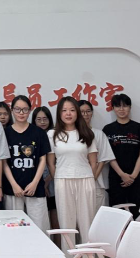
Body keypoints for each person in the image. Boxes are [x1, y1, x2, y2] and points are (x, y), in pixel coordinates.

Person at [47, 97, 97, 251]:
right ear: (59, 113)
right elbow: (51, 162)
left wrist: (90, 179)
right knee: (66, 223)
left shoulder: (87, 133)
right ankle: (68, 254)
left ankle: (89, 254)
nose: (68, 113)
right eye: (64, 110)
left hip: (85, 180)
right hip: (63, 181)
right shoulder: (52, 134)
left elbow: (93, 162)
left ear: (77, 113)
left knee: (87, 222)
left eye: (72, 110)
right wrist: (58, 177)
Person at [2, 95, 51, 232]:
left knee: (39, 227)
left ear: (30, 110)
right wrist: (14, 185)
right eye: (17, 109)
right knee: (13, 229)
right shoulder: (5, 133)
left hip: (35, 188)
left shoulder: (39, 133)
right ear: (12, 110)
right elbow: (4, 162)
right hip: (12, 188)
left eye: (25, 109)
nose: (21, 113)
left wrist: (35, 183)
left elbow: (43, 159)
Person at [102, 94, 140, 219]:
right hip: (117, 178)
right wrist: (122, 174)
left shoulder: (138, 127)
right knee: (117, 214)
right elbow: (108, 155)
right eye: (118, 106)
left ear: (130, 107)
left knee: (138, 213)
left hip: (137, 177)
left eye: (125, 106)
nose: (121, 109)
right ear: (113, 108)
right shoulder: (108, 129)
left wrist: (133, 176)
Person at [78, 100, 115, 213]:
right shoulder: (71, 134)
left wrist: (92, 178)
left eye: (88, 111)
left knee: (97, 216)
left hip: (96, 183)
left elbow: (102, 159)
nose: (85, 114)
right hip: (77, 182)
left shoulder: (99, 134)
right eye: (82, 112)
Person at [32, 106, 60, 247]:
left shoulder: (55, 135)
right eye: (39, 119)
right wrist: (40, 182)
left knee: (56, 220)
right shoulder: (31, 135)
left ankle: (59, 249)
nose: (42, 122)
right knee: (39, 220)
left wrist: (48, 180)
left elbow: (59, 161)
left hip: (54, 181)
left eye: (45, 119)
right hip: (36, 182)